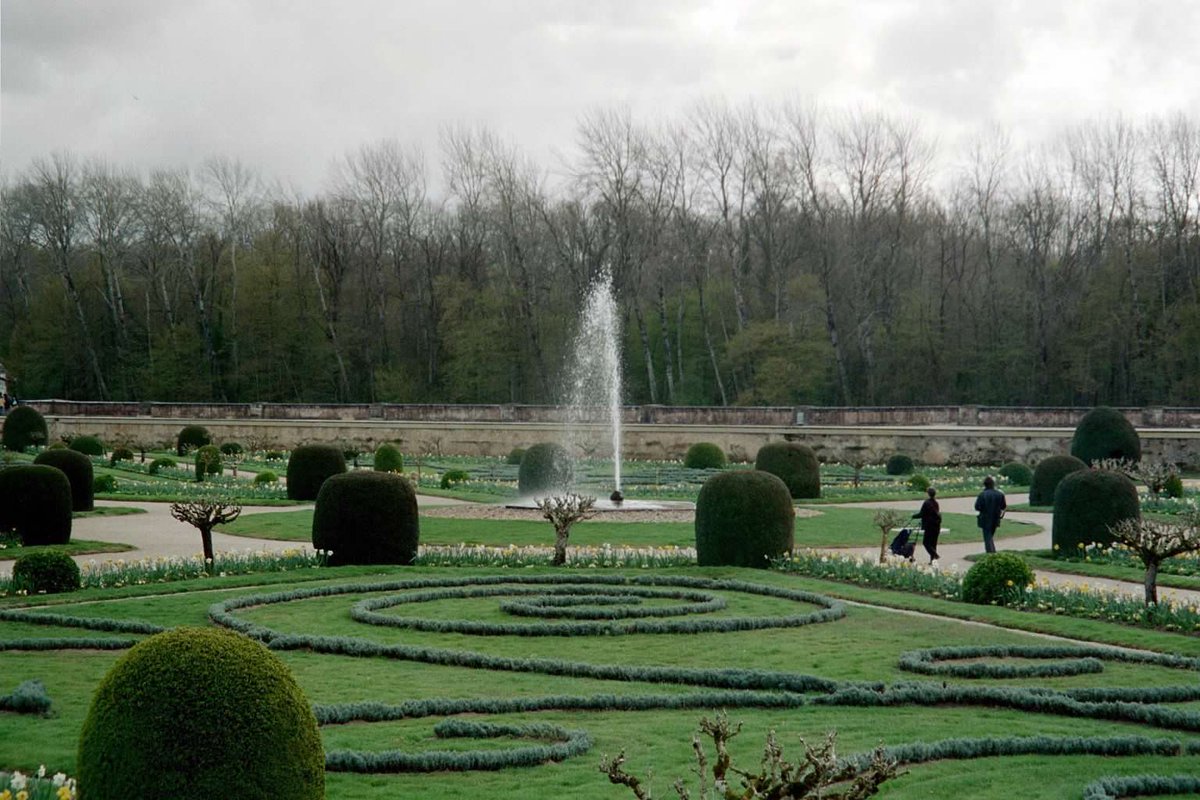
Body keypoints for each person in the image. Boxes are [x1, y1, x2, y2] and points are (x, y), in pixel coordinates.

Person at [974, 475, 1007, 554]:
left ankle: (990, 553)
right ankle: (992, 551)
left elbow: (977, 507)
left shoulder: (982, 495)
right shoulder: (1000, 494)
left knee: (987, 536)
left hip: (985, 518)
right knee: (990, 535)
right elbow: (1003, 506)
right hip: (995, 518)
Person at [912, 486, 941, 564]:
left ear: (928, 494)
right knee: (933, 543)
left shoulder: (926, 503)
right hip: (936, 525)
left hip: (929, 525)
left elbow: (922, 513)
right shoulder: (936, 503)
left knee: (926, 542)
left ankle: (934, 555)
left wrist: (913, 516)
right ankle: (933, 561)